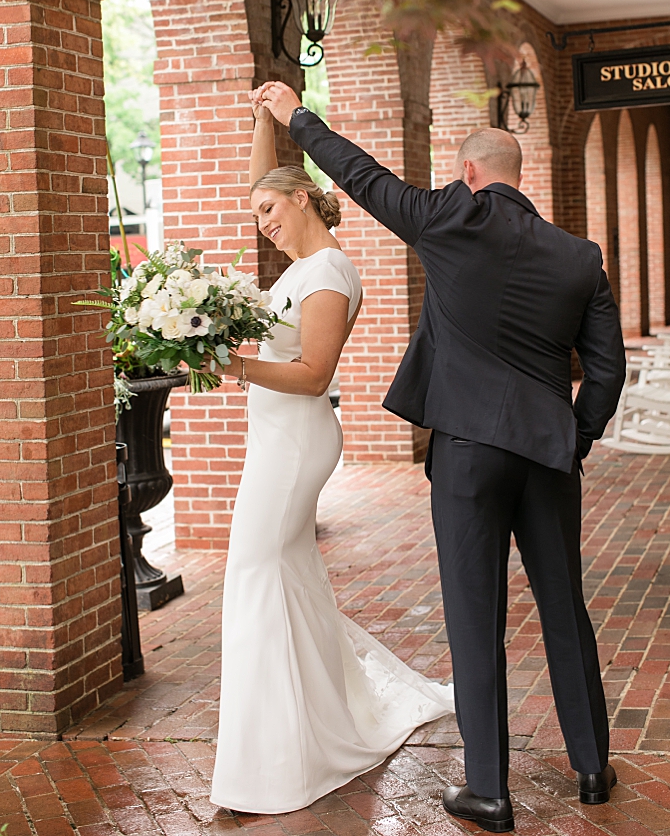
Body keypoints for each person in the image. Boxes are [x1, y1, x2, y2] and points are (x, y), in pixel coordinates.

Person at [253, 80, 626, 832]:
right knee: (564, 606)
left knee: (475, 615)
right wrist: (573, 435)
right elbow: (608, 369)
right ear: (517, 177)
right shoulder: (579, 256)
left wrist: (296, 114)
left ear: (469, 174)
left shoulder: (447, 215)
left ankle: (488, 789)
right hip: (547, 455)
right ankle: (591, 766)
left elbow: (359, 175)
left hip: (466, 453)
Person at [208, 97, 455, 815]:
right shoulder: (299, 265)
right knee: (283, 579)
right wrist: (263, 117)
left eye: (270, 210)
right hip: (275, 439)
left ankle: (270, 766)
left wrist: (236, 366)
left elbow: (315, 373)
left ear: (305, 196)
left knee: (254, 574)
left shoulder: (327, 273)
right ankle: (309, 731)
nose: (264, 223)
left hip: (295, 442)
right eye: (256, 215)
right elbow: (266, 181)